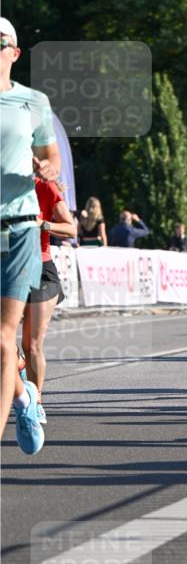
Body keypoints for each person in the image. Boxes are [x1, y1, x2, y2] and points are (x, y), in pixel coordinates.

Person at [0, 16, 60, 454]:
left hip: (20, 229)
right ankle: (23, 397)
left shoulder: (33, 103)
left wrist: (47, 169)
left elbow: (52, 160)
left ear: (14, 53)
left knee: (7, 337)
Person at [23, 178, 77, 423]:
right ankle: (18, 366)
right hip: (8, 269)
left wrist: (42, 224)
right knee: (8, 343)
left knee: (32, 343)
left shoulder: (44, 188)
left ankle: (36, 404)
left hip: (41, 269)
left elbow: (71, 228)